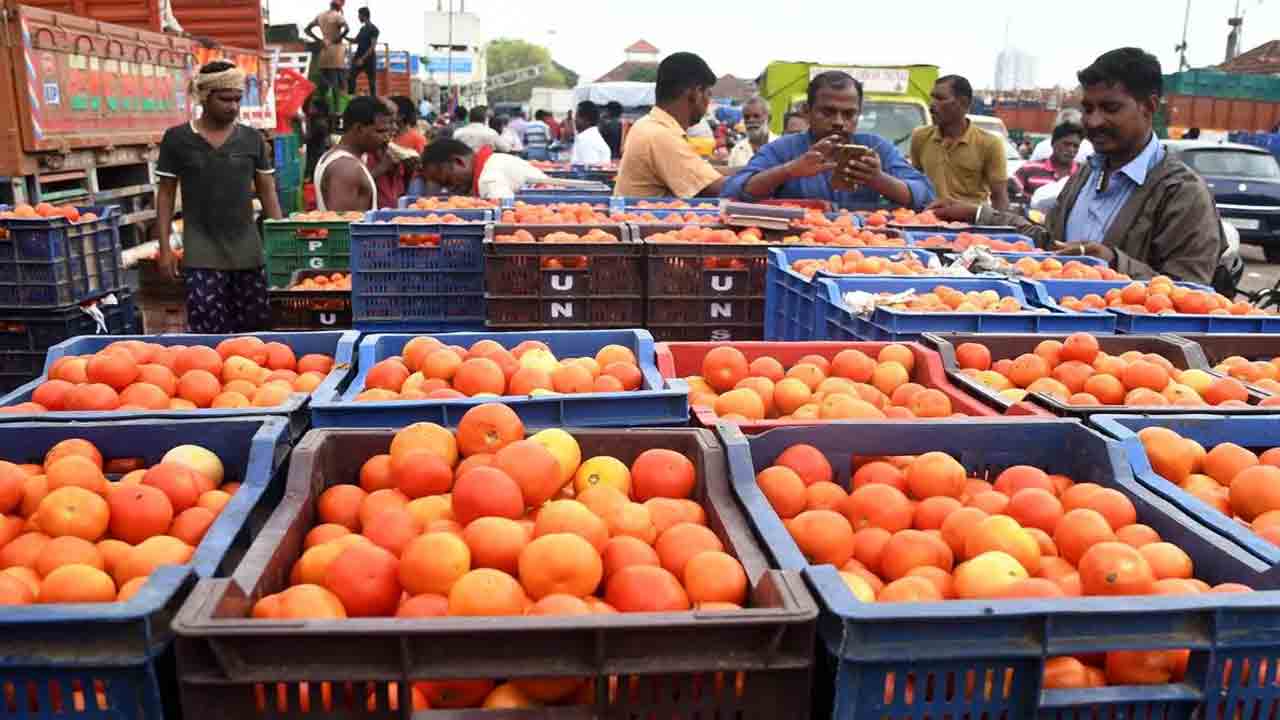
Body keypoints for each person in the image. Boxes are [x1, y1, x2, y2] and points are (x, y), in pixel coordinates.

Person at [929, 47, 1224, 285]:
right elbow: (1049, 243)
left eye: (1110, 108)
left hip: (1126, 356)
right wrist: (978, 213)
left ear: (1148, 106)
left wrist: (1110, 262)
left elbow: (1192, 294)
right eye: (1087, 109)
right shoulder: (1087, 173)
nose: (1093, 122)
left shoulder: (1182, 193)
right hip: (1063, 344)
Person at [155, 61, 282, 333]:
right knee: (208, 336)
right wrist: (164, 250)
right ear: (204, 96)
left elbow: (267, 190)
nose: (233, 106)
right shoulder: (177, 139)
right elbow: (165, 195)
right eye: (225, 99)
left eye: (237, 99)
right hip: (201, 255)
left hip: (248, 253)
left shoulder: (252, 139)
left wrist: (282, 240)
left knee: (255, 334)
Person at [722, 72, 934, 209]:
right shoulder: (782, 150)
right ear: (807, 112)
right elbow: (734, 192)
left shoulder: (877, 148)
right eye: (828, 112)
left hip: (862, 253)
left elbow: (924, 195)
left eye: (849, 114)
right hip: (797, 248)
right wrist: (789, 171)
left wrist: (878, 179)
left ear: (858, 114)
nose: (839, 122)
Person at [614, 51, 726, 198]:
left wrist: (753, 169)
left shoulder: (649, 125)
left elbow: (704, 172)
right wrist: (765, 179)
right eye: (708, 94)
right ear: (696, 93)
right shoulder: (660, 135)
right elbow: (716, 187)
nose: (708, 102)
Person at [912, 75, 1009, 210]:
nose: (932, 106)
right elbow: (913, 184)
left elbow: (1000, 198)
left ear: (963, 103)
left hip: (971, 226)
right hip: (927, 223)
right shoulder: (920, 137)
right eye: (932, 98)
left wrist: (999, 227)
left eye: (940, 99)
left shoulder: (990, 143)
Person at [314, 95, 393, 211]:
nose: (386, 138)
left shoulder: (340, 158)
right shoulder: (346, 167)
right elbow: (342, 224)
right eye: (380, 131)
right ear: (359, 128)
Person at [420, 138, 553, 199]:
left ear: (459, 162)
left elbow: (505, 212)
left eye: (447, 181)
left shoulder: (488, 180)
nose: (450, 189)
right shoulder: (491, 163)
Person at [1013, 122, 1083, 201]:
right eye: (1066, 144)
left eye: (1075, 146)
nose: (1071, 150)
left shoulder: (1083, 173)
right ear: (1053, 143)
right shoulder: (1028, 169)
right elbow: (1010, 196)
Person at [305, 1, 347, 98]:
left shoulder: (320, 15)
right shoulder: (338, 16)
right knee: (337, 82)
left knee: (324, 81)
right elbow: (347, 29)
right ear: (339, 7)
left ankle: (324, 106)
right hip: (336, 52)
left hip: (324, 51)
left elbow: (307, 30)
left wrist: (319, 40)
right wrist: (336, 39)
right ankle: (337, 109)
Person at [727, 96, 777, 169]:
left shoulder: (780, 146)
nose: (751, 120)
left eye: (756, 116)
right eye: (747, 117)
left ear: (768, 118)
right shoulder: (737, 150)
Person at [347, 7, 379, 96]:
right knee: (350, 77)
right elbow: (355, 40)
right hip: (358, 56)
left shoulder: (374, 29)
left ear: (363, 15)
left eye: (359, 15)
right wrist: (344, 36)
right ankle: (351, 99)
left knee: (372, 83)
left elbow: (372, 47)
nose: (358, 17)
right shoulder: (362, 29)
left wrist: (362, 59)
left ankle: (373, 103)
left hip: (369, 59)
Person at [570, 101, 611, 165]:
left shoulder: (585, 139)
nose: (574, 120)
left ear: (586, 120)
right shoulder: (592, 136)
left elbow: (588, 171)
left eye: (577, 116)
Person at [303, 95, 331, 179]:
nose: (309, 108)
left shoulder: (319, 123)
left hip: (316, 156)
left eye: (312, 106)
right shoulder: (316, 120)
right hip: (315, 154)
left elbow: (308, 137)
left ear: (318, 109)